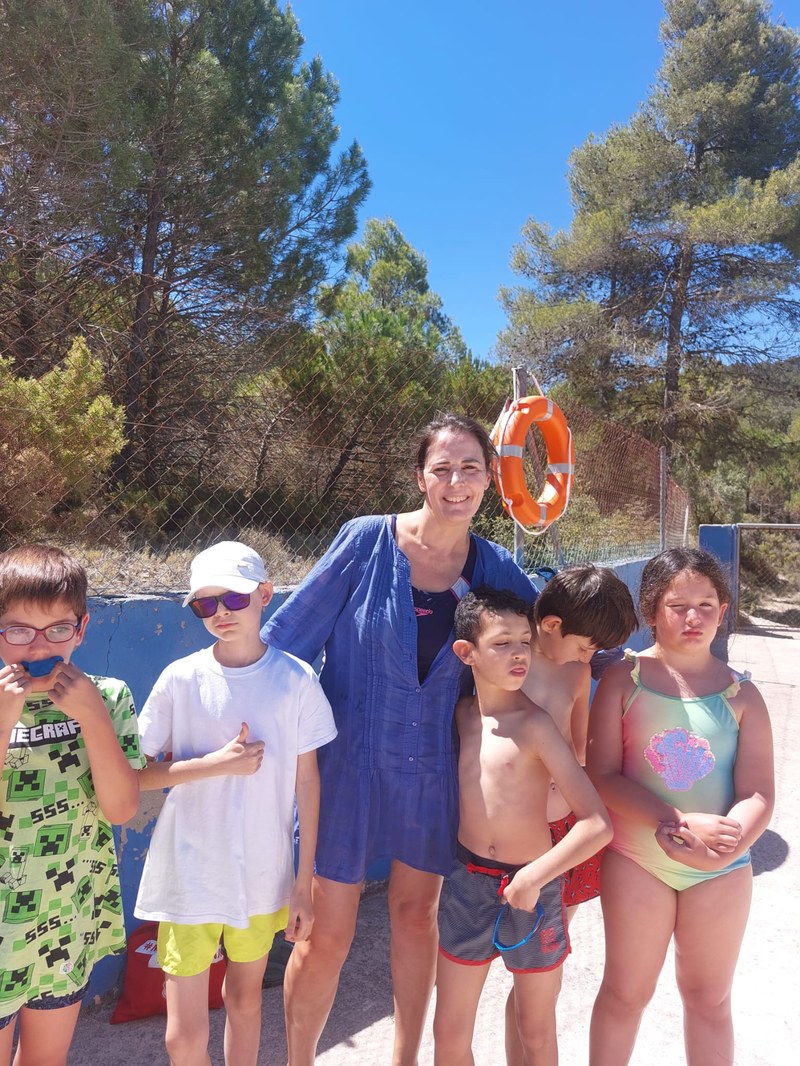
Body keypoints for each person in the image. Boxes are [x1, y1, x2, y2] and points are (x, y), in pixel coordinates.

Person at [261, 413, 539, 1066]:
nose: (456, 481)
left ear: (490, 481)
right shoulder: (365, 541)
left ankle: (405, 1058)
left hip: (437, 773)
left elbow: (551, 639)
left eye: (471, 468)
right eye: (442, 468)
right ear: (420, 477)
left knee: (417, 920)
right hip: (344, 769)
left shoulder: (495, 567)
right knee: (326, 936)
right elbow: (285, 641)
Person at [134, 541, 336, 1066]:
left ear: (265, 594)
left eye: (234, 598)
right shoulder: (181, 679)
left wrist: (303, 883)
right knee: (182, 1035)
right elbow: (136, 775)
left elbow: (308, 784)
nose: (220, 612)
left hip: (262, 875)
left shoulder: (295, 679)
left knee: (246, 1000)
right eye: (204, 604)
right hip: (189, 875)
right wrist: (218, 764)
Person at [586, 547, 774, 1065]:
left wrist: (726, 844)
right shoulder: (625, 681)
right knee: (626, 994)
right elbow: (601, 774)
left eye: (707, 604)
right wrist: (674, 821)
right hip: (637, 861)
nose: (694, 617)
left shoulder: (742, 696)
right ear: (651, 612)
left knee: (709, 1000)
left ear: (724, 609)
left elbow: (758, 792)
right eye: (677, 605)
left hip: (721, 871)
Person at [432, 586, 612, 1066]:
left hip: (535, 889)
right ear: (466, 653)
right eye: (502, 643)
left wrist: (534, 878)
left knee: (536, 1033)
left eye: (524, 643)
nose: (518, 654)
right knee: (448, 1033)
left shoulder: (536, 727)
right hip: (467, 886)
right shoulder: (460, 715)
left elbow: (597, 824)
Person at [0, 545, 142, 1066]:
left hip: (65, 920)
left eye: (57, 629)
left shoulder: (108, 695)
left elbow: (122, 809)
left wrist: (93, 717)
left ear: (81, 629)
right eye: (18, 629)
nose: (38, 646)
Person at [505, 565, 638, 1064]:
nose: (591, 658)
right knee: (510, 970)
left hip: (561, 838)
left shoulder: (578, 672)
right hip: (501, 835)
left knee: (538, 980)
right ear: (553, 625)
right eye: (587, 645)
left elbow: (578, 753)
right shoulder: (501, 661)